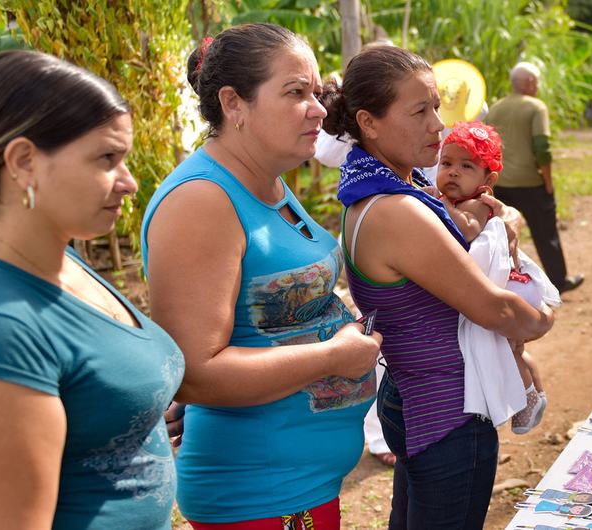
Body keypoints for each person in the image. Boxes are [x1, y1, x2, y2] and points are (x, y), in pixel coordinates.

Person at [0, 50, 183, 529]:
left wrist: (131, 419)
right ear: (23, 162)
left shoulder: (60, 261)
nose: (129, 182)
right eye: (107, 158)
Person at [141, 24, 382, 529]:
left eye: (316, 92)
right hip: (259, 493)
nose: (318, 108)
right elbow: (195, 370)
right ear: (234, 103)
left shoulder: (266, 179)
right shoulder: (201, 201)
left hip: (300, 484)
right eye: (296, 93)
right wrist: (333, 356)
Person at [321, 45, 554, 528]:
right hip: (447, 413)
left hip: (415, 400)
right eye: (420, 110)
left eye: (437, 108)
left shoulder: (380, 192)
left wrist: (500, 214)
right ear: (369, 122)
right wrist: (544, 317)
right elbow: (496, 310)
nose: (437, 125)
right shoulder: (396, 210)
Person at [431, 121, 560, 434]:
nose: (453, 173)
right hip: (511, 283)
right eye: (446, 164)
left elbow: (466, 229)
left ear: (487, 180)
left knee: (504, 346)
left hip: (506, 286)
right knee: (512, 347)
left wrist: (440, 205)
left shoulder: (476, 205)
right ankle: (536, 392)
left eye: (466, 166)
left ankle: (528, 394)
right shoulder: (464, 201)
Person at [485, 62, 584, 293]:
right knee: (545, 233)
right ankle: (558, 281)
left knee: (501, 234)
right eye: (536, 82)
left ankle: (500, 282)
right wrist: (548, 182)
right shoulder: (536, 107)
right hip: (530, 182)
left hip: (501, 183)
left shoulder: (496, 107)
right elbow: (542, 147)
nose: (537, 86)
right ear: (529, 83)